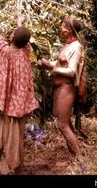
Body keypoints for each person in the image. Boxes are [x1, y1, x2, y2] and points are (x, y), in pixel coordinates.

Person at [0, 1, 39, 174]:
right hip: (20, 106)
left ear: (11, 38)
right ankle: (18, 171)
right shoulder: (26, 51)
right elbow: (22, 34)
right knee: (18, 140)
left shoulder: (3, 49)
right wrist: (19, 19)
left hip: (2, 104)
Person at [38, 18, 85, 160]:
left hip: (67, 87)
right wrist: (45, 64)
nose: (61, 28)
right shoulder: (68, 45)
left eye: (63, 27)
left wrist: (51, 67)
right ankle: (74, 155)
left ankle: (79, 158)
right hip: (60, 88)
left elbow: (71, 71)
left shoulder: (76, 46)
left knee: (62, 125)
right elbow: (60, 64)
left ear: (70, 30)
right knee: (66, 123)